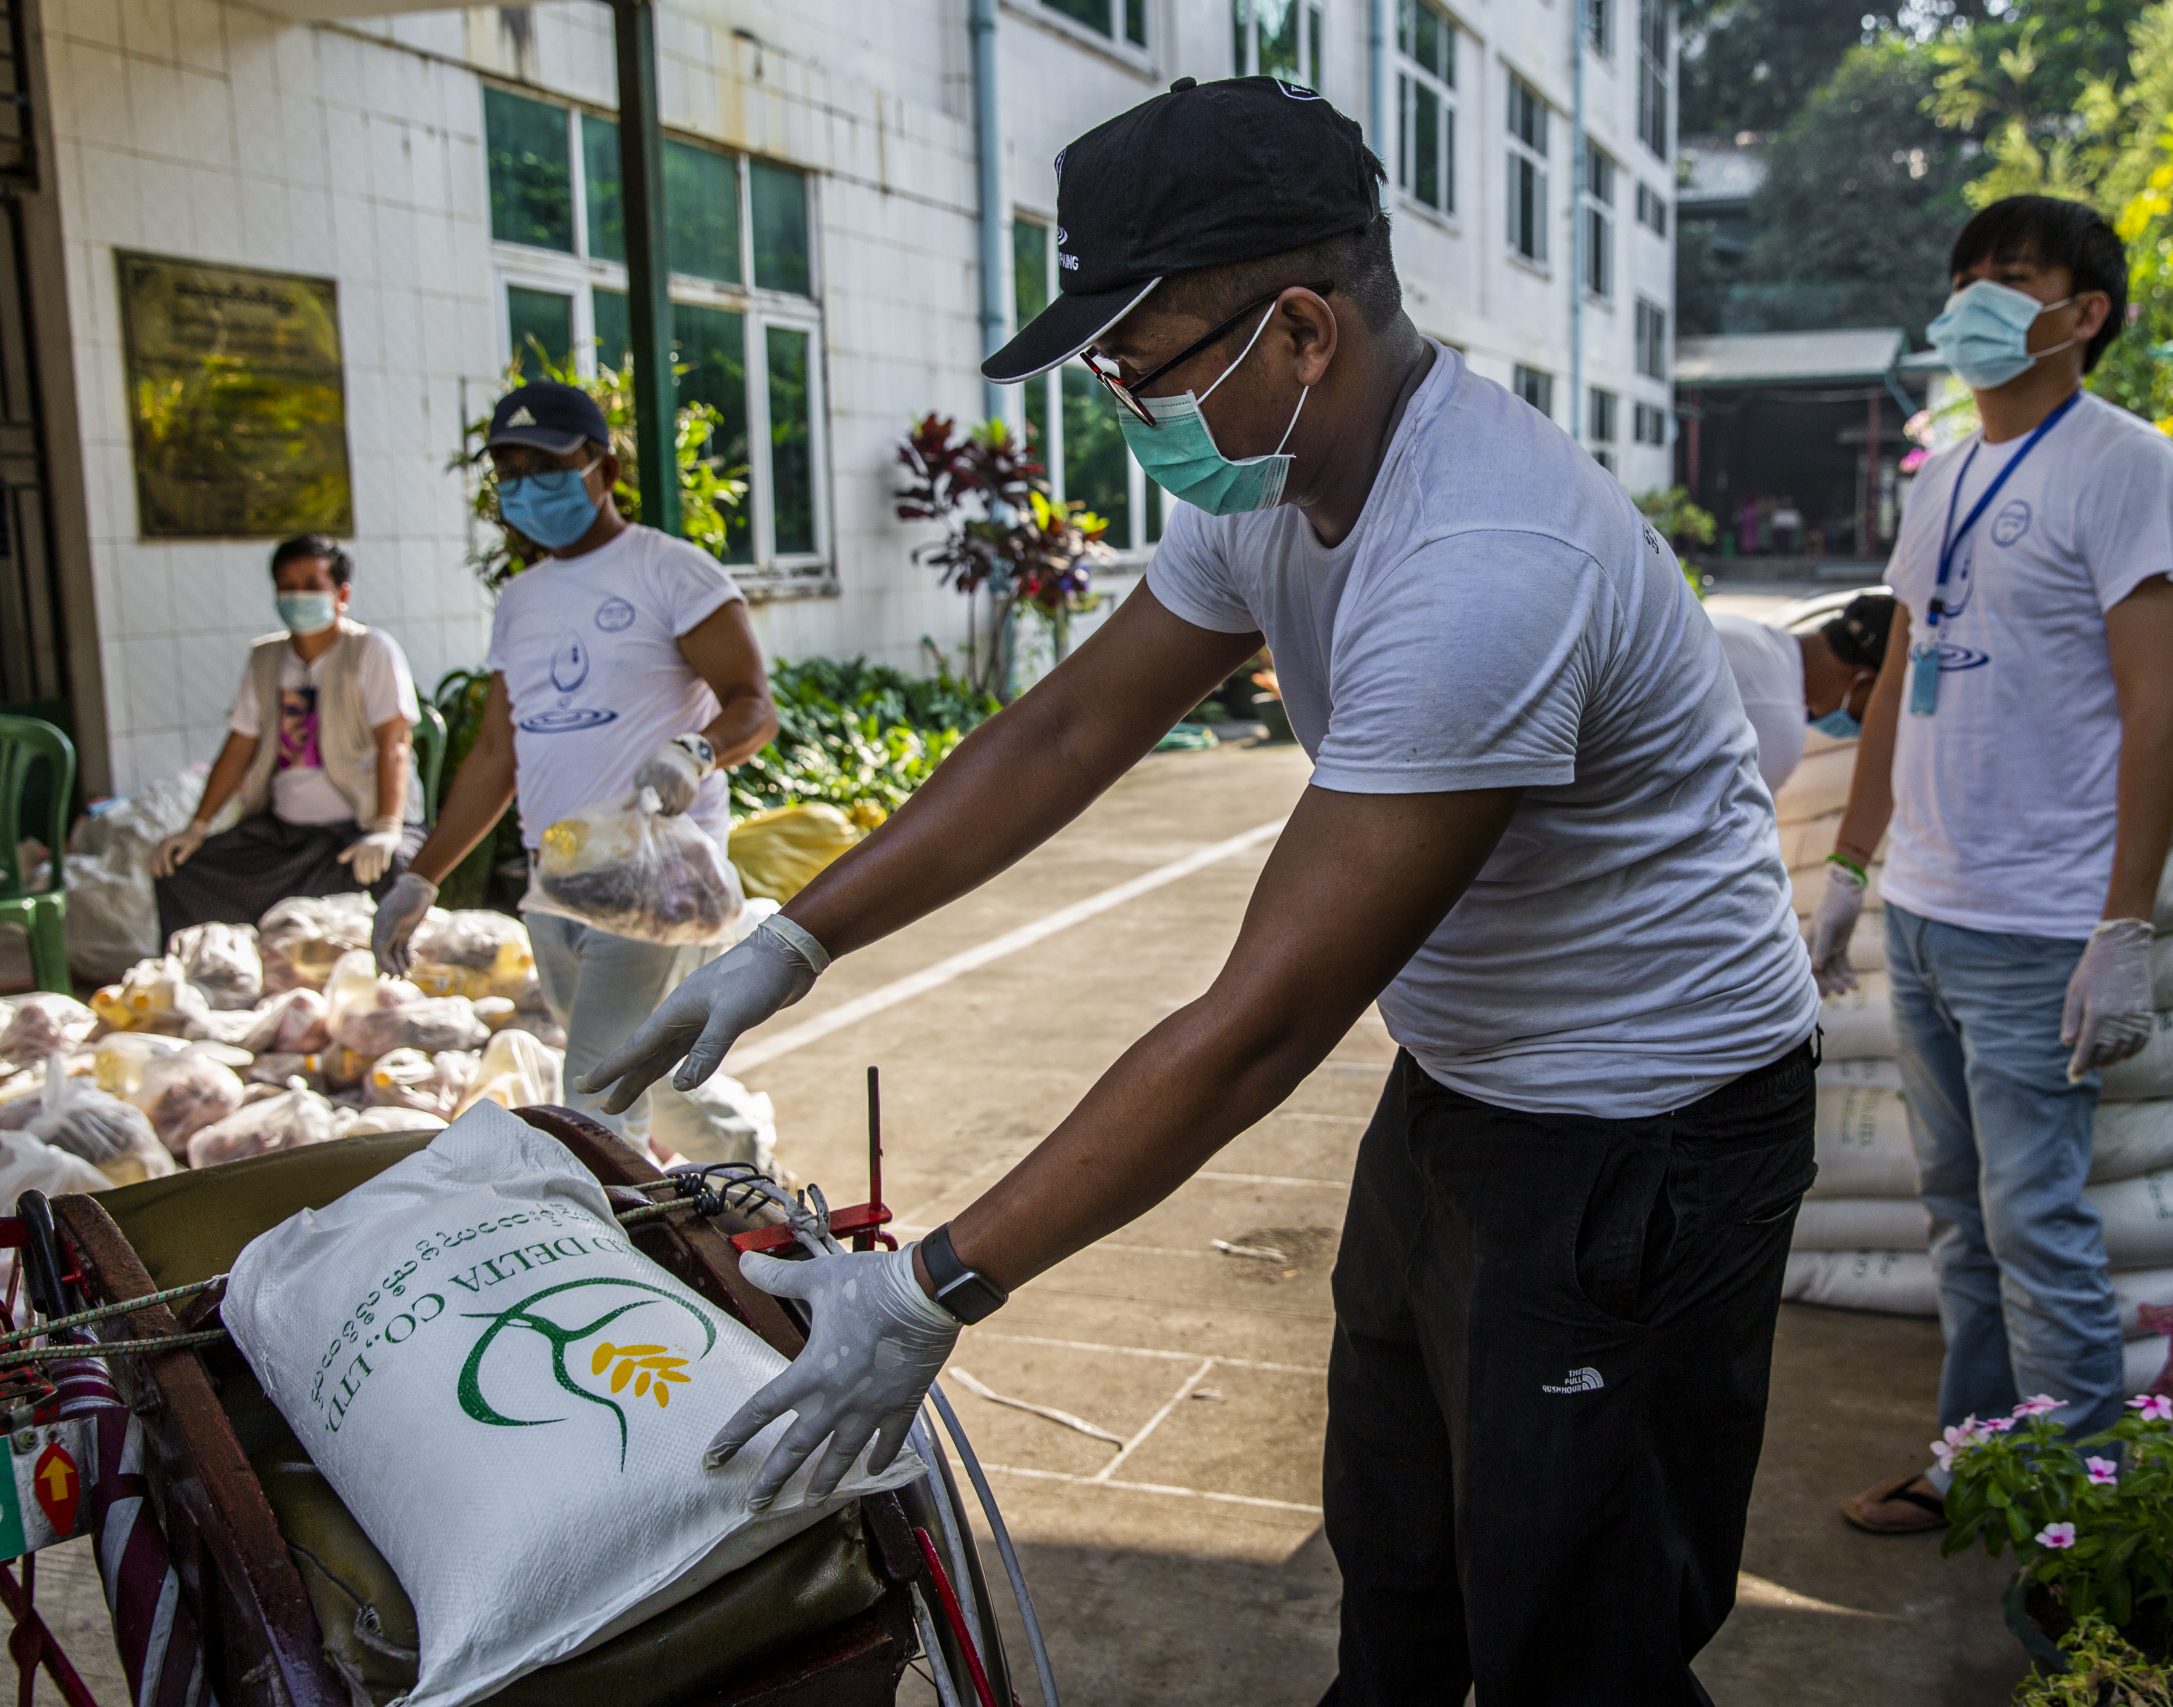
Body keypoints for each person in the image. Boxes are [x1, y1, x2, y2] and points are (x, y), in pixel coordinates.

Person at [583, 76, 1820, 1707]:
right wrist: (801, 937)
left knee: (1578, 1627)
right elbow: (1073, 726)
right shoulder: (1294, 487)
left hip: (1645, 1135)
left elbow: (1258, 1024)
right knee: (1402, 1544)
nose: (1121, 401)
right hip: (1469, 1090)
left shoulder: (1487, 567)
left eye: (1138, 361)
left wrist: (933, 1280)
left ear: (1301, 330)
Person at [1816, 196, 2173, 1535]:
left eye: (2011, 276)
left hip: (2037, 923)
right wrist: (1854, 868)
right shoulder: (1943, 472)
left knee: (2036, 1228)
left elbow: (2158, 707)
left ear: (2082, 311)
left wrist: (2126, 928)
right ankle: (1981, 1461)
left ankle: (2095, 1532)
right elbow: (1897, 681)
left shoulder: (2124, 464)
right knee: (1958, 1224)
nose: (1976, 295)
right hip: (1926, 906)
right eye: (1967, 274)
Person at [369, 379, 777, 1154]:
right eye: (510, 471)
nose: (527, 486)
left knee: (593, 1095)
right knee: (637, 1068)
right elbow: (495, 754)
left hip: (656, 878)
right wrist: (420, 878)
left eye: (546, 464)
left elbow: (752, 705)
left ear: (602, 468)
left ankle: (623, 1261)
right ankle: (746, 1166)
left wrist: (695, 751)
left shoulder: (671, 571)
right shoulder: (520, 599)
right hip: (555, 880)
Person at [151, 536, 424, 940]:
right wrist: (196, 826)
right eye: (288, 585)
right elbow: (239, 745)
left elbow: (394, 744)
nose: (299, 595)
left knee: (391, 873)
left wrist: (386, 827)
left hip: (360, 829)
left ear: (341, 593)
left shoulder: (370, 650)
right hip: (284, 833)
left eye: (312, 585)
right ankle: (224, 983)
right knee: (185, 872)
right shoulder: (265, 658)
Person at [1708, 590, 1896, 790]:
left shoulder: (1744, 630)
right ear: (1863, 681)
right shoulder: (1777, 722)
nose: (1863, 726)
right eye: (1867, 716)